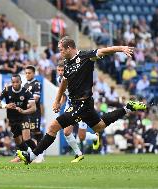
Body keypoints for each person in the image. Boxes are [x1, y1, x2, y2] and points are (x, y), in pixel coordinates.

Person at [16, 36, 147, 164]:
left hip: (82, 103)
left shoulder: (85, 57)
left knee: (52, 127)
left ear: (68, 48)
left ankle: (31, 156)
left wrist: (121, 48)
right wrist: (57, 100)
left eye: (61, 49)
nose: (59, 52)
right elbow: (64, 83)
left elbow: (104, 50)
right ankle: (128, 107)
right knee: (100, 126)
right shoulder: (67, 63)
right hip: (80, 104)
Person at [56, 63, 99, 163]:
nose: (61, 72)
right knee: (66, 132)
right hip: (70, 106)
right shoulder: (59, 80)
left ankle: (95, 137)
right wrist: (59, 104)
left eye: (62, 70)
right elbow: (64, 95)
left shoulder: (74, 77)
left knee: (81, 137)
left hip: (81, 106)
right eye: (59, 70)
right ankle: (78, 154)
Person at [0, 74, 37, 160]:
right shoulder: (6, 90)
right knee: (18, 141)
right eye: (13, 82)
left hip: (23, 117)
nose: (15, 84)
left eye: (17, 82)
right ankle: (28, 154)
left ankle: (39, 153)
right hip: (12, 119)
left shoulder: (26, 92)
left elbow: (34, 108)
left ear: (21, 82)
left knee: (26, 138)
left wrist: (23, 111)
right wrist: (6, 106)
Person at [23, 65, 44, 163]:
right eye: (26, 73)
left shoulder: (36, 84)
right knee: (26, 134)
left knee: (36, 132)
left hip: (35, 112)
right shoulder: (25, 85)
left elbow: (35, 99)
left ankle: (40, 154)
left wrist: (24, 105)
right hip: (26, 113)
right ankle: (33, 153)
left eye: (29, 73)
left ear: (33, 73)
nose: (27, 75)